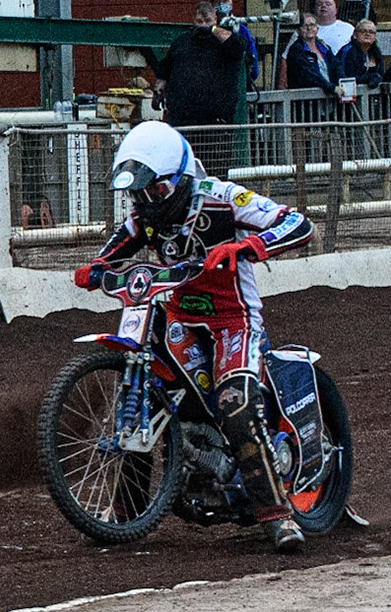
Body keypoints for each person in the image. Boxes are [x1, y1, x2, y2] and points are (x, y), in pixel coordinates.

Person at [75, 121, 314, 552]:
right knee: (144, 397)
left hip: (233, 321)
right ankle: (126, 516)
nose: (145, 202)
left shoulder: (225, 198)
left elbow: (298, 224)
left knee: (234, 405)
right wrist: (95, 268)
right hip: (177, 316)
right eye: (138, 194)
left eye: (155, 191)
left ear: (180, 177)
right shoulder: (141, 217)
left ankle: (278, 516)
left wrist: (246, 248)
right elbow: (111, 250)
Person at [153, 2, 245, 130]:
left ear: (215, 19)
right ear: (194, 21)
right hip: (182, 116)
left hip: (216, 118)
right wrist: (158, 91)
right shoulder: (182, 42)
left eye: (207, 21)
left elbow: (236, 47)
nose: (203, 25)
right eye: (200, 21)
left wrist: (213, 29)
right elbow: (165, 69)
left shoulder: (225, 42)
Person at [209, 0, 259, 90]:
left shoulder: (240, 29)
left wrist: (249, 77)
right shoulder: (208, 30)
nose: (220, 5)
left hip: (238, 83)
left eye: (224, 2)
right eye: (217, 2)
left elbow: (251, 55)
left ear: (231, 6)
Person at [282, 18, 337, 96]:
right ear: (298, 30)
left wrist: (342, 84)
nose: (309, 28)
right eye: (305, 26)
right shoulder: (296, 50)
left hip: (328, 98)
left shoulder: (324, 47)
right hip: (305, 99)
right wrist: (332, 87)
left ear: (317, 28)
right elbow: (308, 75)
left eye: (312, 25)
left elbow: (337, 66)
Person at [337, 20, 383, 90]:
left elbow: (380, 74)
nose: (367, 34)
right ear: (355, 35)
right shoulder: (348, 51)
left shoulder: (376, 52)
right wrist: (368, 78)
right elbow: (347, 77)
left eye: (371, 32)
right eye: (363, 31)